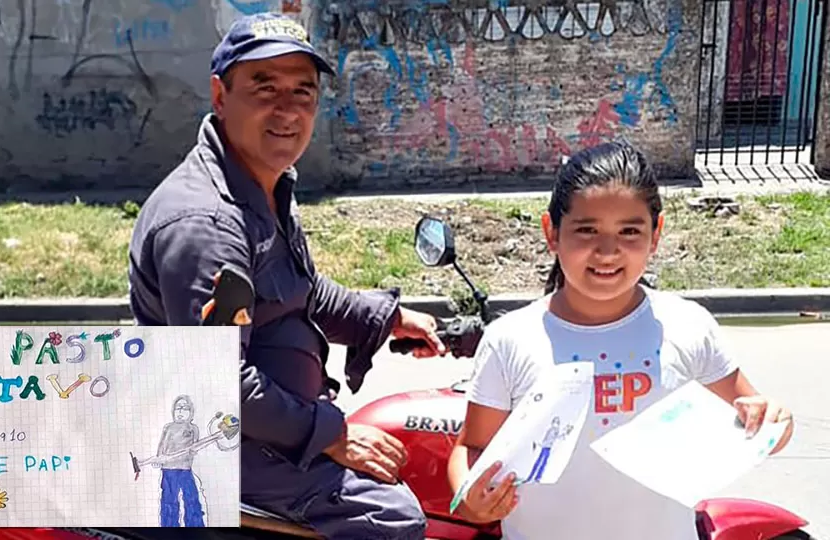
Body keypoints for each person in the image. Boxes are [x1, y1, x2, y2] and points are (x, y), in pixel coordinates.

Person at [127, 12, 446, 539]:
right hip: (229, 443)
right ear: (220, 94)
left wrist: (386, 318)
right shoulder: (208, 223)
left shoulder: (259, 185)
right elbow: (218, 379)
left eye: (303, 91)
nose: (287, 109)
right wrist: (328, 435)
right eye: (265, 87)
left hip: (267, 429)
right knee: (393, 520)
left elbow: (297, 291)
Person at [446, 141, 794, 540]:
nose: (608, 251)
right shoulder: (510, 339)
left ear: (656, 234)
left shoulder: (687, 325)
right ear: (552, 232)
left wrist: (775, 422)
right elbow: (471, 446)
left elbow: (757, 423)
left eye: (630, 231)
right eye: (587, 230)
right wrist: (469, 496)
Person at [154, 395, 205, 527]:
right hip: (169, 469)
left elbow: (194, 448)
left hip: (185, 469)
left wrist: (193, 449)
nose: (181, 412)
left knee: (191, 498)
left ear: (191, 412)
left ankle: (195, 525)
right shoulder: (169, 427)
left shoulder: (193, 429)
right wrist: (159, 458)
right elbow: (162, 445)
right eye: (178, 408)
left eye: (185, 408)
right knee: (169, 500)